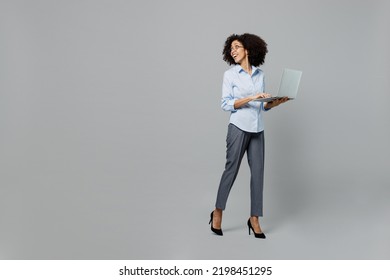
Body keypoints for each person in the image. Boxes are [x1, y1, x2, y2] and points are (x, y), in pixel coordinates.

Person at [209, 33, 288, 238]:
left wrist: (275, 102)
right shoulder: (230, 75)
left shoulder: (260, 74)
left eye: (236, 47)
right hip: (238, 127)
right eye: (231, 48)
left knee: (258, 174)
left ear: (248, 49)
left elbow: (262, 107)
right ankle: (217, 212)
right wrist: (252, 96)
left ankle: (254, 219)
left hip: (257, 128)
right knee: (231, 170)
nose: (232, 51)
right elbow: (226, 104)